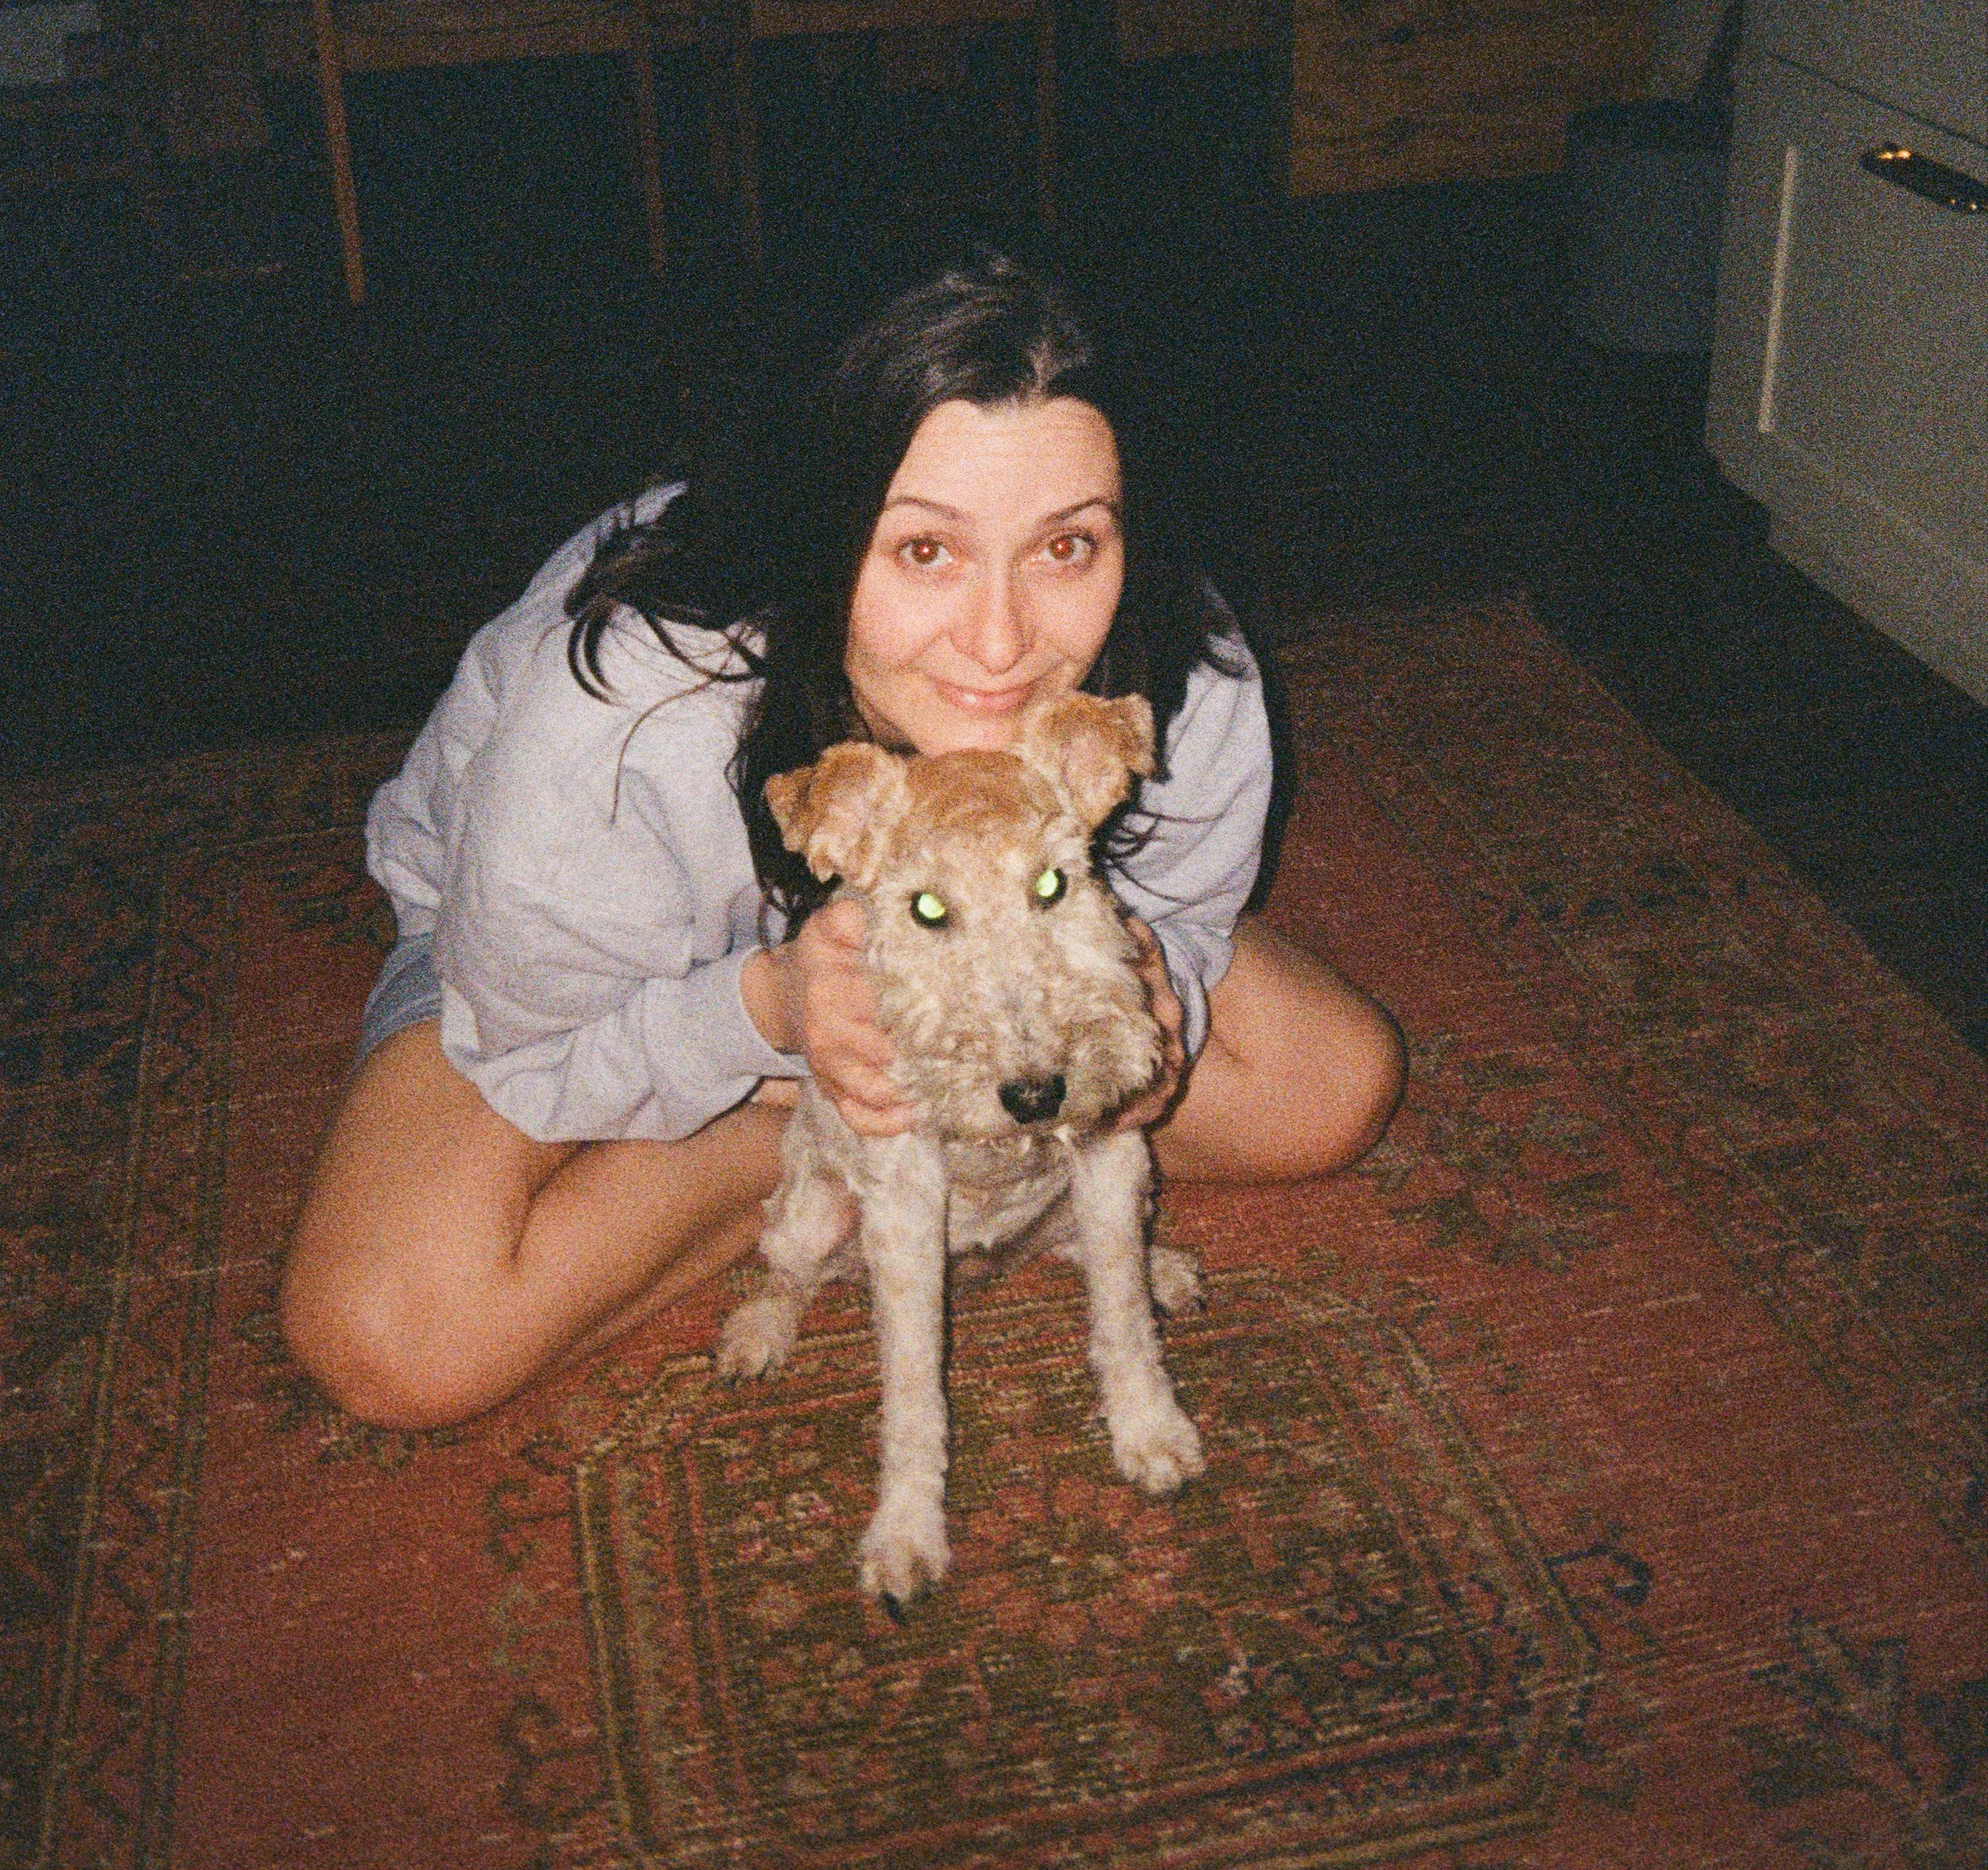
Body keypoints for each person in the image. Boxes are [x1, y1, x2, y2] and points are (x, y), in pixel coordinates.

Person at [279, 253, 1404, 1429]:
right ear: (819, 531)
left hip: (994, 943)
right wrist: (768, 1020)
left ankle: (870, 1146)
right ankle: (798, 1154)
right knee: (392, 1333)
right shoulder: (622, 719)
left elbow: (1176, 906)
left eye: (1068, 545)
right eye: (925, 549)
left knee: (1334, 1088)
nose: (1002, 639)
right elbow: (536, 1046)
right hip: (628, 977)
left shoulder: (1177, 655)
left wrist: (1159, 982)